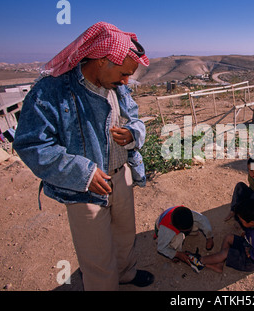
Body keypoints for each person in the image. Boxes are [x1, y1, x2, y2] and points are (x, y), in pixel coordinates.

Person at [13, 22, 154, 290]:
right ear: (102, 60)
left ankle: (125, 273)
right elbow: (32, 144)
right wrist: (84, 173)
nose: (126, 82)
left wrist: (133, 133)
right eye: (123, 74)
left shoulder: (117, 85)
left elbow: (135, 118)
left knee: (125, 237)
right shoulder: (51, 92)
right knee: (97, 257)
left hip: (122, 177)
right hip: (84, 190)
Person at [190, 199, 254, 273]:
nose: (239, 220)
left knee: (226, 253)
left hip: (250, 262)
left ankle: (200, 260)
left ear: (252, 222)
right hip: (248, 244)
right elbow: (252, 231)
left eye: (241, 220)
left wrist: (251, 253)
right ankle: (219, 265)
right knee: (229, 237)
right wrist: (247, 233)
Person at [154, 205, 214, 272]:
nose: (189, 230)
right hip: (163, 229)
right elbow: (161, 248)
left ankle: (189, 232)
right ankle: (174, 252)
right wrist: (177, 254)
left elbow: (203, 220)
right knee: (179, 238)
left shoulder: (187, 214)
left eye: (189, 229)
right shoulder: (167, 230)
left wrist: (209, 237)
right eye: (186, 230)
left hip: (177, 223)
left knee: (197, 224)